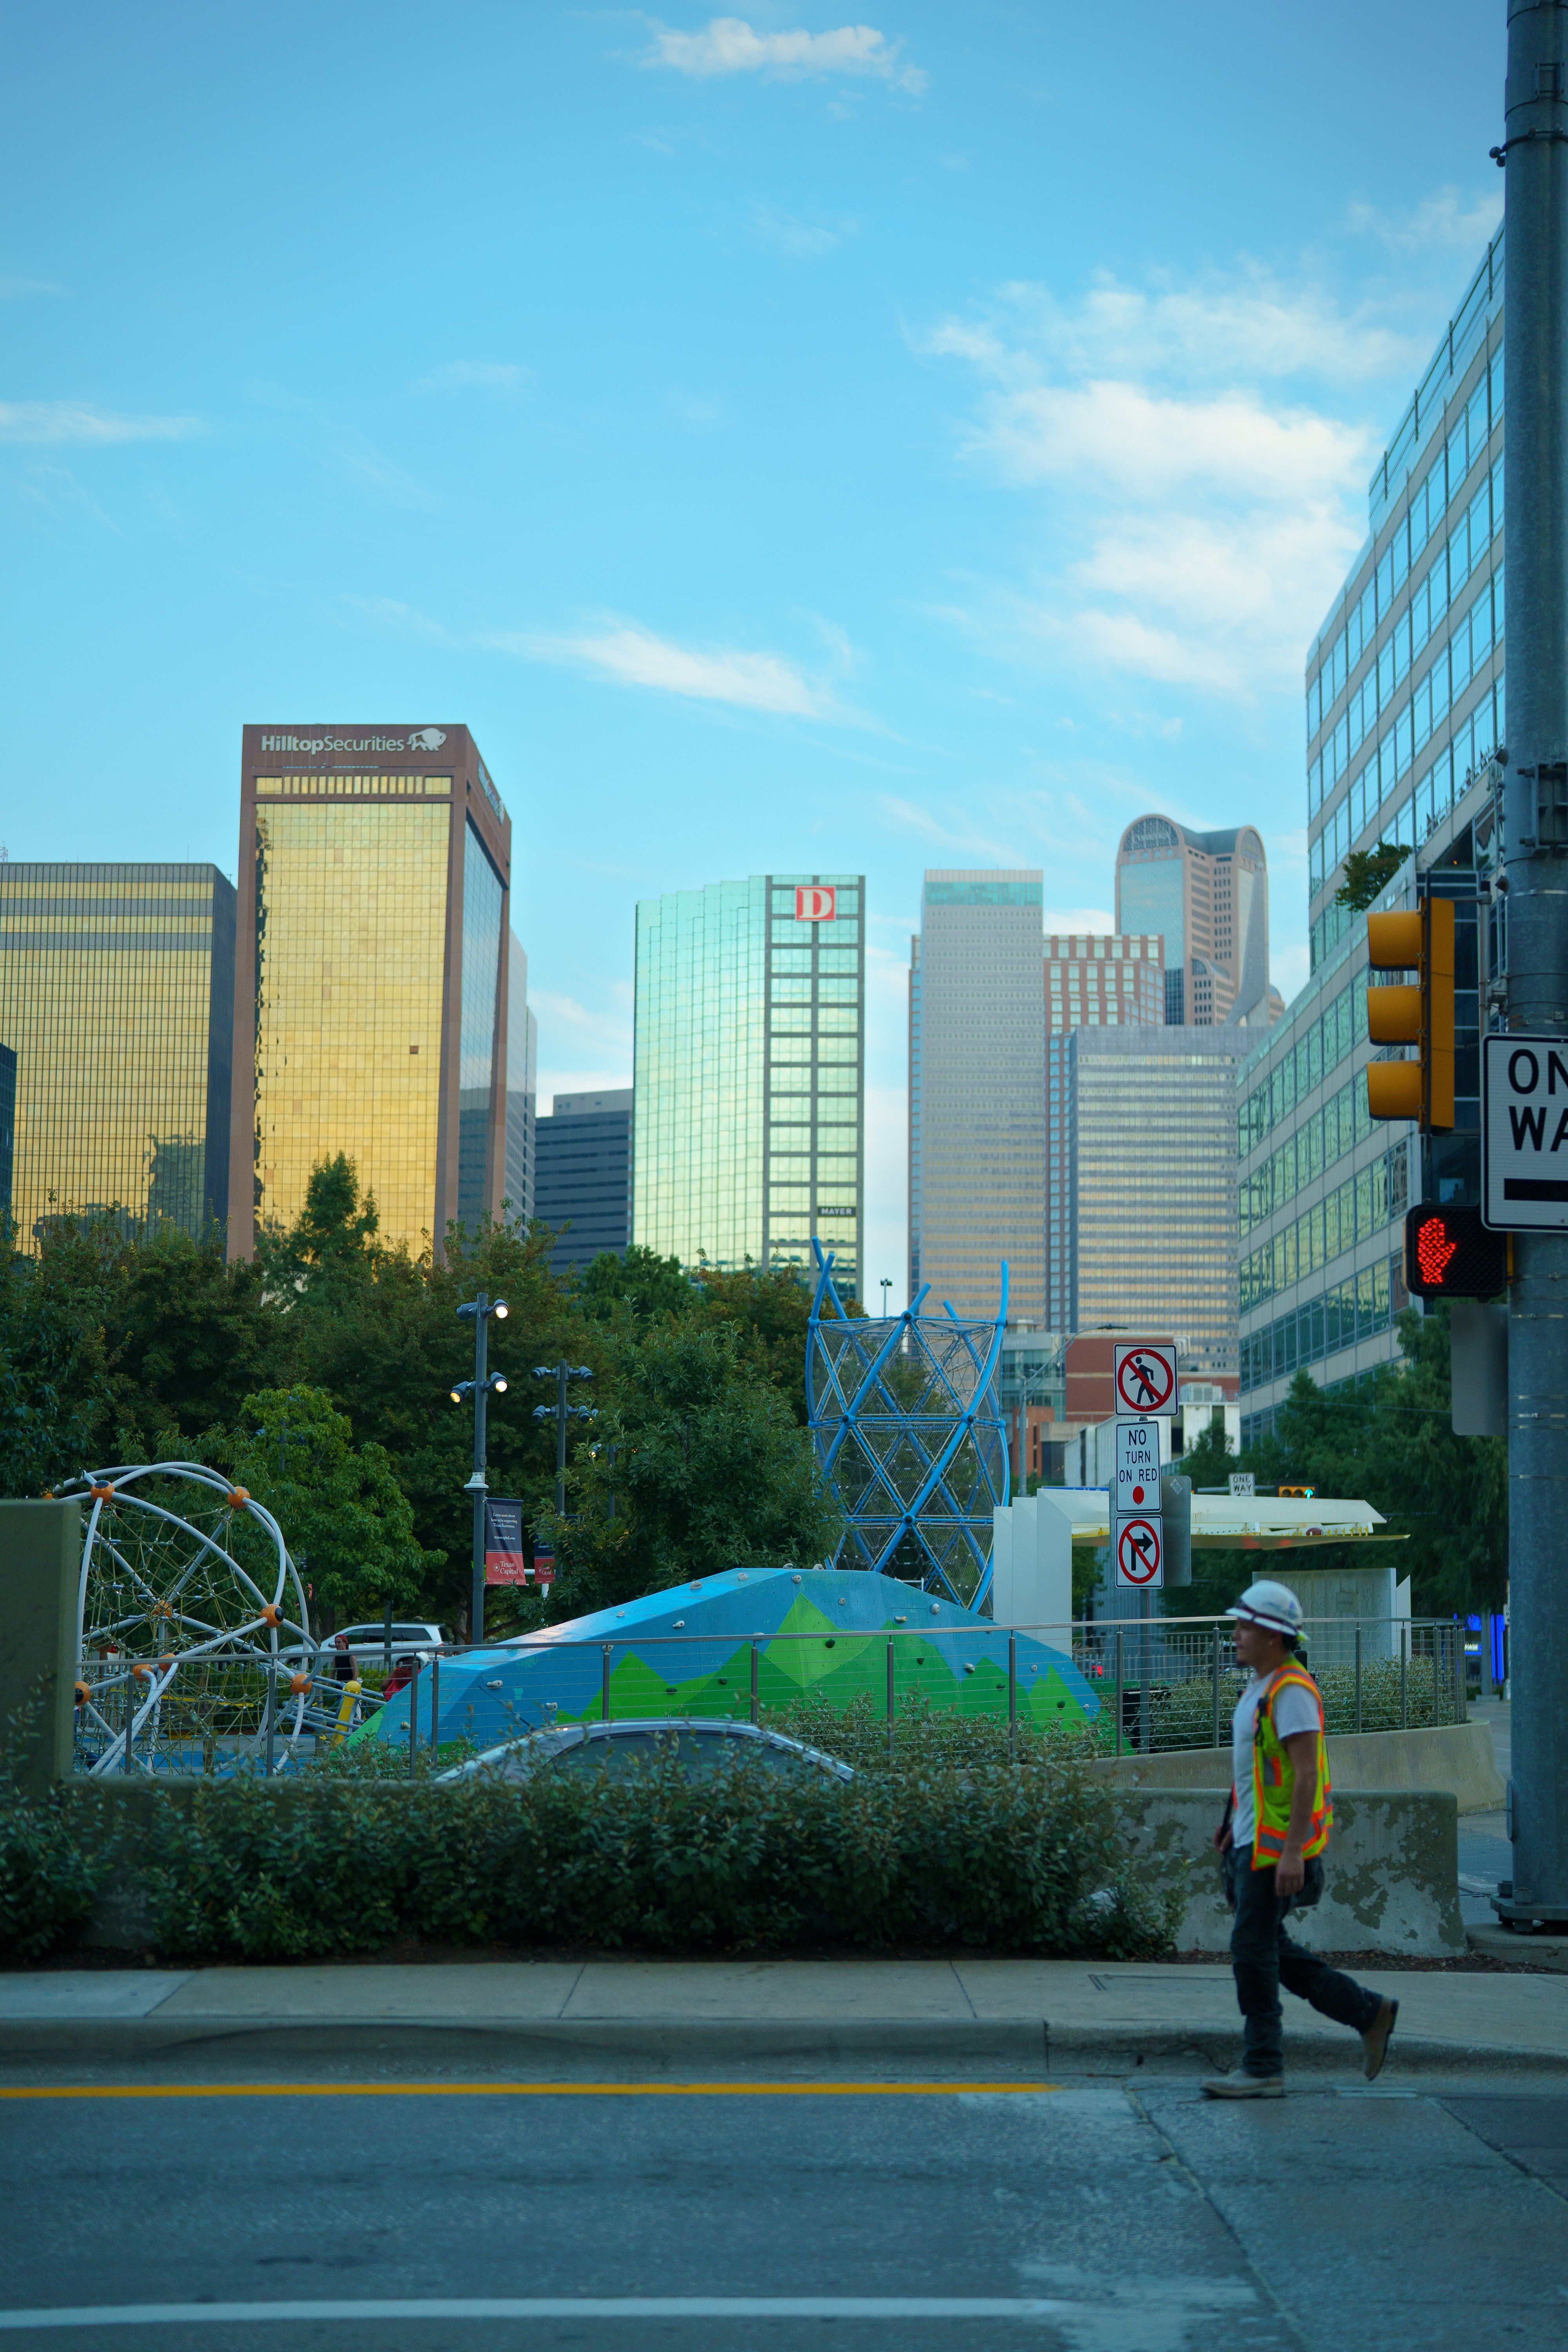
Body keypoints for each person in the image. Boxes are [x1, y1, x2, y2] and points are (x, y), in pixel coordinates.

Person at [1201, 1578, 1398, 2099]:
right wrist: (1229, 1821)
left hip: (1275, 1849)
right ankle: (1369, 2012)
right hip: (1251, 1841)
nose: (1236, 1634)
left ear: (1272, 1634)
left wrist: (1292, 1852)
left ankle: (1264, 2065)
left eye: (1245, 1626)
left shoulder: (1291, 1692)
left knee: (1251, 1949)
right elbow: (1254, 1768)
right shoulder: (1259, 1686)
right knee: (1271, 1950)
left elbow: (1306, 1776)